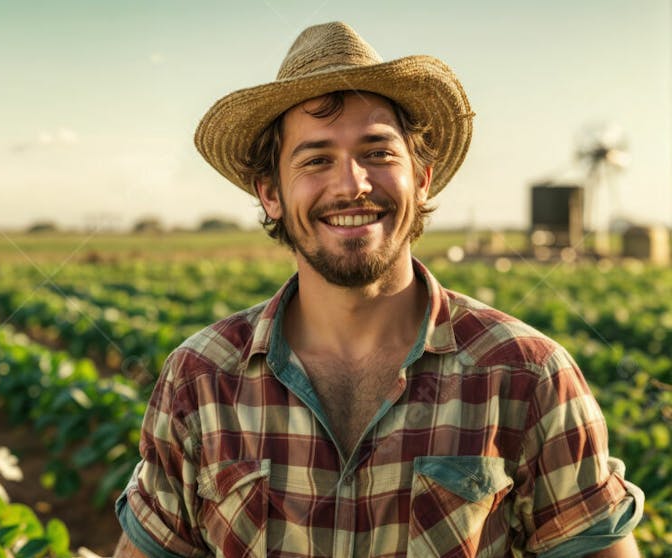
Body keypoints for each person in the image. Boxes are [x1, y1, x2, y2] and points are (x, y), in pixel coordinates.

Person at [114, 21, 644, 557]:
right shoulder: (199, 380)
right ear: (271, 193)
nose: (352, 185)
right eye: (317, 159)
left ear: (422, 178)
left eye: (378, 153)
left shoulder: (529, 376)